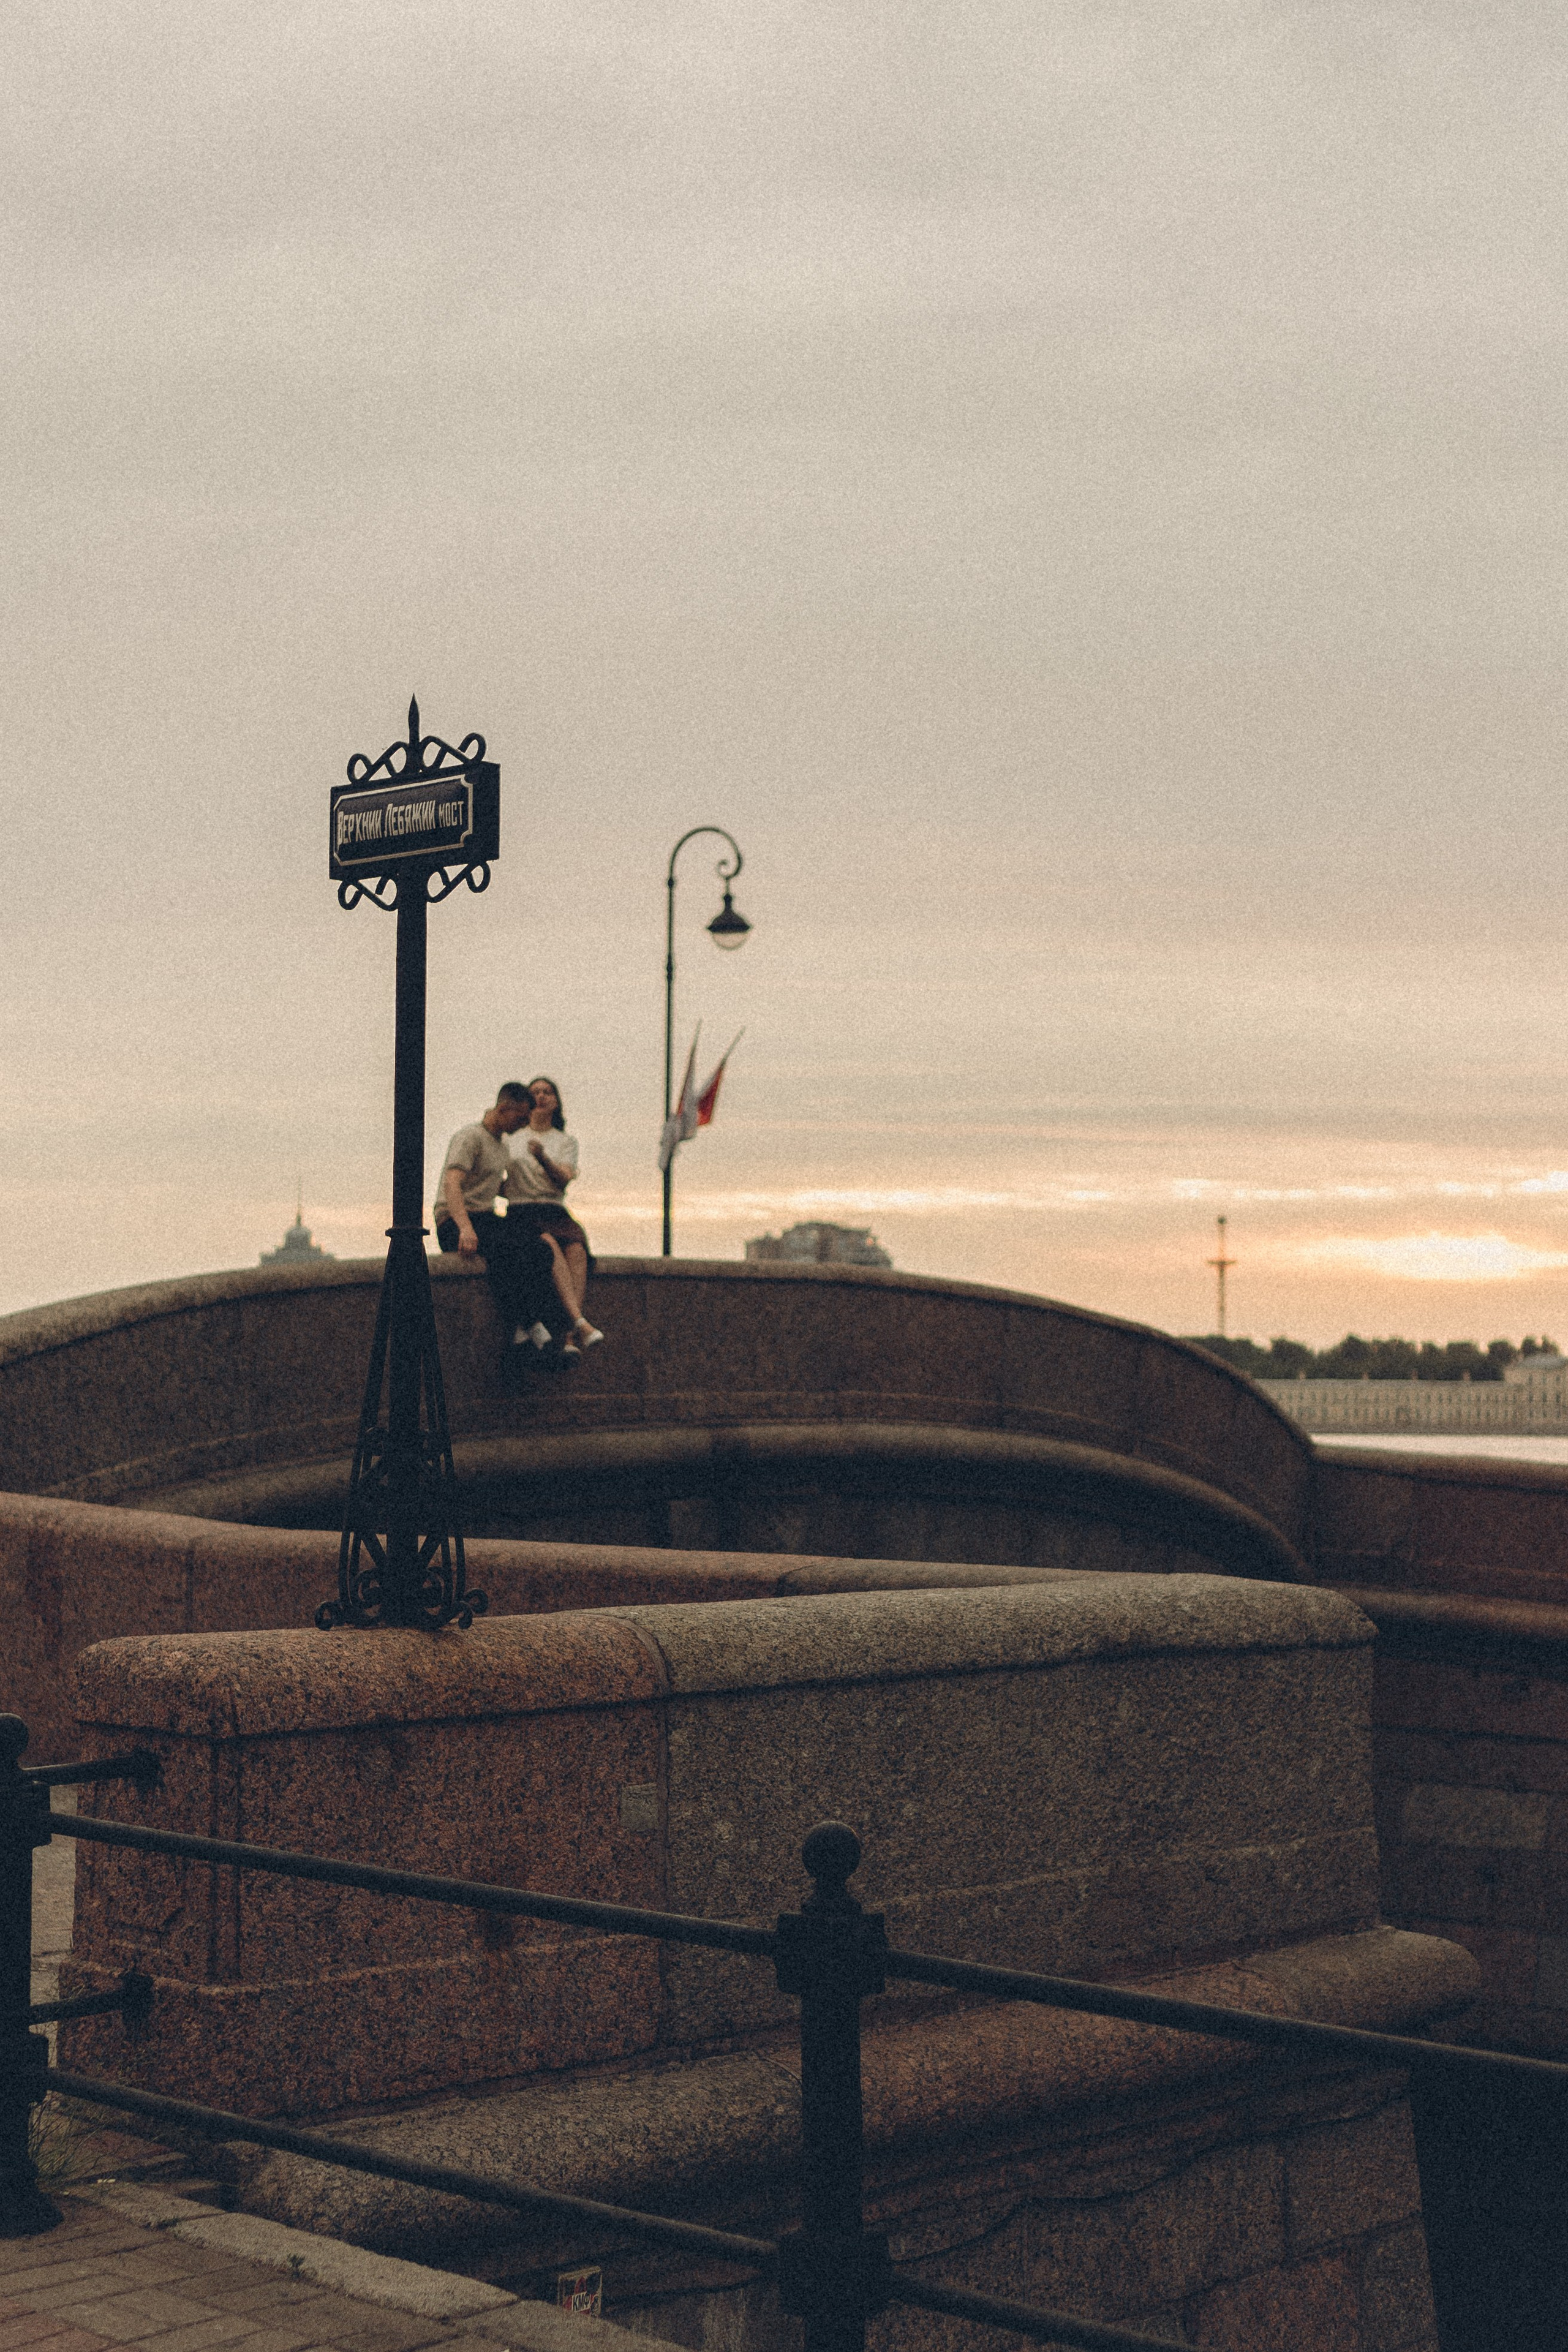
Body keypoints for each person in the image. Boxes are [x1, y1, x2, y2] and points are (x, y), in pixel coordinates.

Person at [432, 1084, 560, 1354]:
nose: (524, 1124)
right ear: (503, 1109)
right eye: (521, 1118)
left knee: (539, 1249)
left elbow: (494, 1187)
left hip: (486, 1217)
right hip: (455, 1221)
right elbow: (452, 1184)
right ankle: (531, 1324)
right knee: (506, 1254)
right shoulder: (470, 1138)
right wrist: (465, 1229)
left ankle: (520, 1329)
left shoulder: (502, 1146)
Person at [503, 1076, 603, 1359]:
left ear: (556, 1102)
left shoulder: (565, 1141)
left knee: (576, 1251)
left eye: (548, 1092)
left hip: (554, 1208)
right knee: (549, 1245)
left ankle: (570, 1335)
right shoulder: (512, 1139)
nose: (541, 1096)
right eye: (535, 1092)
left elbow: (564, 1179)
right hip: (523, 1209)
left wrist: (543, 1158)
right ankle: (578, 1324)